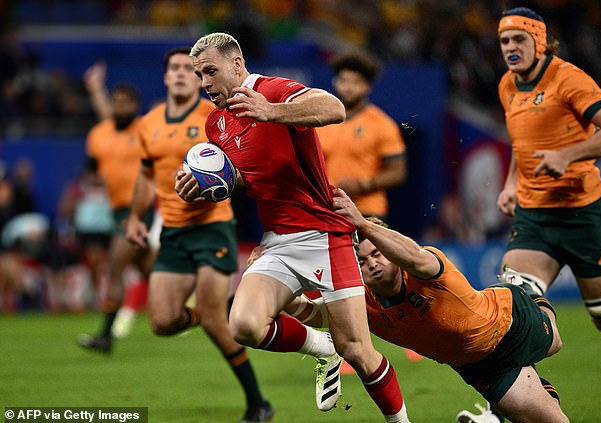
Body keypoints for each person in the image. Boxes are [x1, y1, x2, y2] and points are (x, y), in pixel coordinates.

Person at [176, 33, 411, 422]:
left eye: (211, 71)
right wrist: (208, 187)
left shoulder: (272, 90)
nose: (204, 83)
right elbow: (247, 178)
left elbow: (333, 107)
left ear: (237, 64)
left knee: (358, 350)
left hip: (324, 233)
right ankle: (321, 347)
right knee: (245, 325)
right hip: (278, 240)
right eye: (200, 74)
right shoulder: (215, 123)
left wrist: (271, 111)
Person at [286, 187, 569, 423]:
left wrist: (361, 223)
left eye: (378, 254)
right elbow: (320, 315)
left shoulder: (424, 266)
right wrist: (281, 290)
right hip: (479, 366)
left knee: (556, 342)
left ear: (390, 252)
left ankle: (526, 289)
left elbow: (412, 255)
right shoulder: (362, 302)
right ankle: (504, 409)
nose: (372, 263)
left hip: (509, 322)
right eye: (361, 261)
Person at [125, 46, 273, 422]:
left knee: (211, 319)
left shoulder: (214, 114)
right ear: (164, 77)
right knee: (161, 322)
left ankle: (258, 403)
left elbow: (243, 160)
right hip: (173, 232)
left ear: (197, 78)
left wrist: (223, 180)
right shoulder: (148, 123)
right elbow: (144, 175)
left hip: (212, 226)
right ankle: (213, 314)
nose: (178, 74)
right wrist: (135, 217)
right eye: (172, 68)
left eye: (185, 69)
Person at [495, 7, 601, 337]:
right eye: (504, 41)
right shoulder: (507, 86)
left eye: (519, 39)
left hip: (582, 214)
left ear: (540, 42)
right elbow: (520, 140)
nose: (510, 47)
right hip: (534, 216)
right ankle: (528, 381)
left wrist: (567, 155)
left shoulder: (568, 78)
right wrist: (511, 182)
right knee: (515, 296)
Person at [76, 75, 157, 353]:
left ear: (135, 106)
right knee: (152, 273)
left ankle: (105, 336)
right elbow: (92, 167)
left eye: (126, 103)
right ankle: (204, 313)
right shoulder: (99, 134)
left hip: (141, 208)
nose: (121, 108)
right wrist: (96, 89)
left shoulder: (145, 129)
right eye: (116, 102)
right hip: (116, 209)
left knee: (115, 268)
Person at [316, 50, 406, 221]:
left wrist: (362, 185)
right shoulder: (322, 121)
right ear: (335, 82)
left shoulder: (382, 124)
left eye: (356, 82)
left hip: (368, 212)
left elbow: (397, 172)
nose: (348, 87)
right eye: (343, 81)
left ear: (367, 86)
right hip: (328, 209)